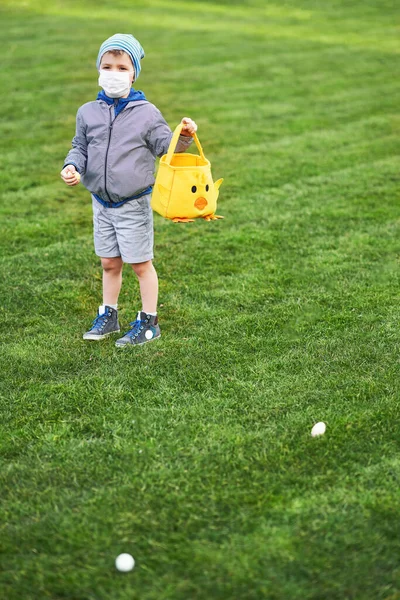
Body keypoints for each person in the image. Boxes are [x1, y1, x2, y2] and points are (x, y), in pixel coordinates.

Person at [60, 33, 197, 347]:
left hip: (133, 203)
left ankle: (149, 322)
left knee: (140, 264)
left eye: (122, 68)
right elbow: (79, 146)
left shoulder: (147, 113)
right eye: (107, 66)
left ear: (134, 73)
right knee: (109, 262)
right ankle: (109, 314)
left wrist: (185, 136)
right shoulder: (88, 112)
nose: (114, 73)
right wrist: (73, 166)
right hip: (101, 203)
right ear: (98, 69)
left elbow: (167, 148)